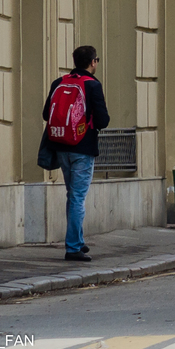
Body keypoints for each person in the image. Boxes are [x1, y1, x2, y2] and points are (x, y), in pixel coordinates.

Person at [45, 46, 110, 262]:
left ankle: (78, 241)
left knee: (72, 194)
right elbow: (103, 120)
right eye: (97, 60)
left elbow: (47, 113)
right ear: (92, 62)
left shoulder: (59, 82)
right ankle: (73, 247)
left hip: (61, 145)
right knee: (77, 197)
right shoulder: (92, 84)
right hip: (83, 148)